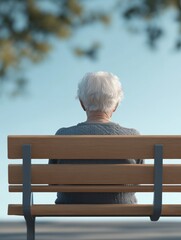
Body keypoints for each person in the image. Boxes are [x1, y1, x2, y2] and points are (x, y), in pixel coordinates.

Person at [49, 71, 143, 204]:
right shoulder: (133, 137)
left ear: (82, 103)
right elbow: (139, 182)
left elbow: (52, 182)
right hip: (121, 203)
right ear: (115, 105)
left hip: (70, 203)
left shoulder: (62, 136)